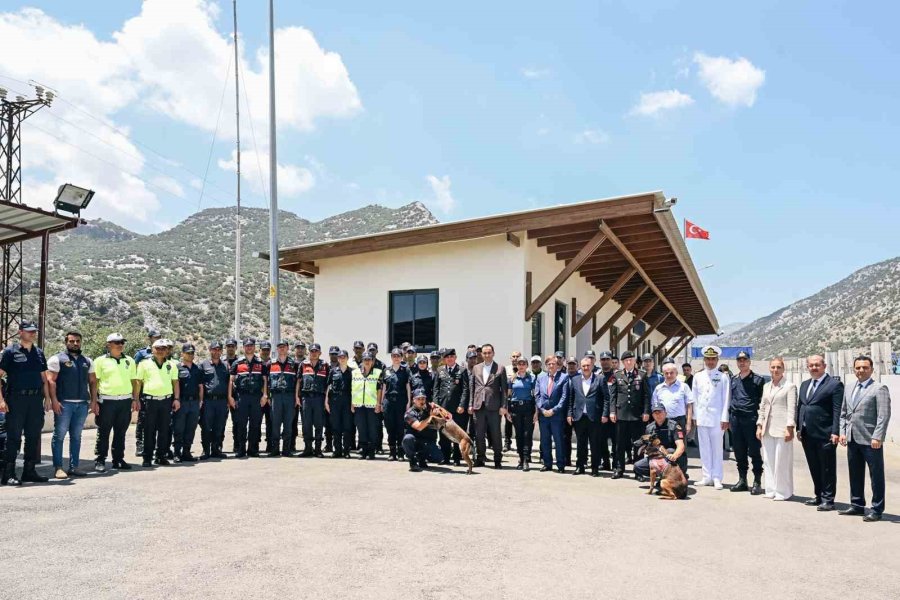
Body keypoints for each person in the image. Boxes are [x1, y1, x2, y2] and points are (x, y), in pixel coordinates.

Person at [839, 356, 892, 522]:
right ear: (854, 369)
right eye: (858, 368)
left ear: (871, 369)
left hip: (871, 440)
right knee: (855, 473)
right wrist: (842, 431)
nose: (861, 371)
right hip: (852, 438)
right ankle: (857, 505)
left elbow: (883, 415)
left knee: (876, 475)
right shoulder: (848, 388)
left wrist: (878, 436)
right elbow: (844, 413)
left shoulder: (879, 388)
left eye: (865, 368)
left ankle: (876, 509)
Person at [0, 321, 50, 485]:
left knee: (33, 436)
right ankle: (9, 474)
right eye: (29, 331)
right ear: (20, 332)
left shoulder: (39, 353)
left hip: (35, 400)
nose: (33, 334)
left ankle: (29, 471)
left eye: (34, 331)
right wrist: (1, 400)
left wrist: (48, 398)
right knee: (13, 437)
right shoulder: (9, 352)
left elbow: (44, 378)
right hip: (16, 400)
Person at [796, 354, 843, 511]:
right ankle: (818, 496)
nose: (814, 368)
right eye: (811, 365)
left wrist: (835, 431)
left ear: (824, 366)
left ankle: (828, 499)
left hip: (825, 433)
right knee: (814, 466)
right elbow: (800, 407)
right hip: (807, 434)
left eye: (817, 365)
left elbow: (837, 410)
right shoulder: (804, 384)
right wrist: (798, 428)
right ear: (807, 367)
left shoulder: (835, 385)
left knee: (827, 467)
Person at [47, 331, 92, 479]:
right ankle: (58, 467)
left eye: (78, 341)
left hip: (82, 404)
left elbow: (93, 382)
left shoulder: (87, 361)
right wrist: (54, 401)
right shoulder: (57, 359)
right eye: (72, 341)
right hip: (64, 404)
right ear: (66, 342)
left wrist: (94, 401)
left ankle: (74, 467)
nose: (75, 344)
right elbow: (50, 381)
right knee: (59, 436)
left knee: (76, 437)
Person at [91, 333, 138, 474]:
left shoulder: (129, 360)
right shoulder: (99, 361)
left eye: (122, 342)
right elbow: (94, 382)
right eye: (117, 343)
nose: (120, 345)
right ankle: (100, 459)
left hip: (124, 401)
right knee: (104, 431)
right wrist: (94, 401)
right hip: (106, 401)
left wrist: (135, 399)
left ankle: (118, 459)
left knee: (121, 432)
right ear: (108, 345)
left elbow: (134, 381)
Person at [133, 339, 180, 467]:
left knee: (164, 430)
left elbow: (175, 382)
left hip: (166, 401)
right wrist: (136, 399)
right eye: (157, 348)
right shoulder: (144, 364)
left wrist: (176, 399)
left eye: (163, 348)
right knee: (149, 430)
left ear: (167, 351)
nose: (160, 351)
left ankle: (161, 456)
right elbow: (138, 382)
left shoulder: (171, 364)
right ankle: (147, 457)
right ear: (152, 350)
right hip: (149, 401)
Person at [755, 357, 797, 501]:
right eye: (773, 367)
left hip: (782, 428)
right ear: (769, 368)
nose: (775, 370)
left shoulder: (790, 386)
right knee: (768, 460)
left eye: (778, 367)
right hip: (767, 428)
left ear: (783, 369)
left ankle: (783, 491)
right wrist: (759, 425)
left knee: (782, 461)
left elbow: (792, 409)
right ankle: (771, 489)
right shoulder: (767, 386)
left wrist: (789, 427)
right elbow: (762, 407)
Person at [691, 345, 731, 489]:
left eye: (713, 359)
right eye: (708, 359)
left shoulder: (723, 377)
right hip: (702, 418)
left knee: (717, 449)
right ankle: (706, 476)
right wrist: (694, 416)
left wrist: (725, 418)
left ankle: (717, 477)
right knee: (704, 448)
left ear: (717, 360)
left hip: (716, 419)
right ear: (704, 360)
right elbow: (694, 397)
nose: (710, 362)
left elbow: (726, 398)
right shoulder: (698, 376)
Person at [465, 343, 509, 469]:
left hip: (494, 407)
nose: (487, 355)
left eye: (489, 352)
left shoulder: (500, 368)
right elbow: (472, 388)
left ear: (493, 353)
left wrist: (504, 406)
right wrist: (470, 404)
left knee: (495, 434)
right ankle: (480, 458)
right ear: (481, 354)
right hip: (478, 406)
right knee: (479, 434)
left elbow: (504, 390)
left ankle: (497, 459)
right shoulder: (476, 368)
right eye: (484, 353)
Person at [608, 350, 650, 479]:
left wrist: (646, 411)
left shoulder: (642, 375)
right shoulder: (618, 375)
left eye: (631, 359)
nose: (629, 362)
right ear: (623, 362)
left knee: (638, 444)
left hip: (637, 416)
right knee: (620, 444)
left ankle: (638, 471)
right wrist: (612, 411)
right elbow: (613, 396)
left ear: (634, 362)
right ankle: (619, 469)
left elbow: (646, 396)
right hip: (621, 415)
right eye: (626, 360)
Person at [729, 351, 765, 494]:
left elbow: (762, 403)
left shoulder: (758, 380)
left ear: (749, 362)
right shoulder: (733, 379)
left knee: (754, 451)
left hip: (750, 419)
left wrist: (760, 424)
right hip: (736, 419)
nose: (742, 362)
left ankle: (757, 481)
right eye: (739, 360)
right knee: (739, 451)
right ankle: (742, 480)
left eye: (744, 360)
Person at [567, 357, 608, 477]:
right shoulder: (574, 380)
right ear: (580, 366)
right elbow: (571, 399)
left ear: (592, 366)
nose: (586, 368)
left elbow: (606, 398)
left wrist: (605, 414)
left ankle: (595, 468)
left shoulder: (600, 379)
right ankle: (580, 466)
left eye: (588, 365)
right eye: (583, 366)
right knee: (580, 443)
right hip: (579, 416)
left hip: (594, 417)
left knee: (594, 443)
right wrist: (569, 414)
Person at [228, 338, 268, 458]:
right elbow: (231, 381)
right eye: (247, 346)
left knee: (255, 424)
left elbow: (265, 380)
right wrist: (230, 397)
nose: (249, 347)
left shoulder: (260, 363)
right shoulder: (237, 363)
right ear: (243, 347)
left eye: (251, 345)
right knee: (241, 424)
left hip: (256, 397)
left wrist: (265, 395)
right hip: (242, 396)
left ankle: (253, 449)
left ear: (254, 347)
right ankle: (241, 449)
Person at [650, 362, 692, 477]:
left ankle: (683, 473)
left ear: (676, 373)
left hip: (679, 421)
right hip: (664, 422)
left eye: (671, 373)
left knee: (681, 447)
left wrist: (688, 423)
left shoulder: (684, 387)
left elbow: (689, 405)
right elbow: (654, 406)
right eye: (666, 373)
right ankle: (664, 472)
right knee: (664, 447)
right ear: (663, 374)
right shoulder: (659, 388)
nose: (669, 375)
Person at [633, 402, 686, 483]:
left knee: (670, 451)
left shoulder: (674, 426)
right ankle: (662, 476)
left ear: (665, 413)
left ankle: (677, 474)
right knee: (638, 466)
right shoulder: (649, 428)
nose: (658, 415)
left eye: (660, 412)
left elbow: (681, 446)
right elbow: (647, 445)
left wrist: (674, 455)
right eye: (655, 413)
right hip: (657, 456)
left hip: (673, 458)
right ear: (652, 415)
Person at [433, 348, 466, 465]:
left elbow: (465, 390)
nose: (449, 359)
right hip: (443, 409)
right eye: (447, 357)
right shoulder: (440, 370)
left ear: (455, 357)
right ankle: (445, 457)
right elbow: (436, 389)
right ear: (444, 359)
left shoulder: (462, 370)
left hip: (457, 409)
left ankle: (457, 458)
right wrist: (436, 406)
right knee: (444, 434)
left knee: (457, 433)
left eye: (451, 357)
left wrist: (462, 405)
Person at [535, 355, 568, 473]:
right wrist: (542, 410)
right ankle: (547, 463)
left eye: (553, 363)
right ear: (546, 365)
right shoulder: (540, 377)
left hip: (557, 415)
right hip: (543, 415)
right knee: (545, 440)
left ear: (558, 365)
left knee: (558, 440)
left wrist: (554, 410)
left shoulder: (564, 377)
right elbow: (537, 396)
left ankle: (560, 465)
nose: (551, 366)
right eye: (548, 364)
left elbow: (564, 397)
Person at [133, 328, 161, 458]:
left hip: (159, 392)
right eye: (155, 337)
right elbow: (134, 373)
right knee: (142, 419)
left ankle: (155, 445)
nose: (157, 339)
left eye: (159, 337)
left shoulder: (163, 352)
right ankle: (140, 444)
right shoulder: (142, 354)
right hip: (144, 392)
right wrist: (136, 396)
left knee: (157, 421)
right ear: (150, 339)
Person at [268, 341, 299, 457]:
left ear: (287, 348)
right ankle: (275, 449)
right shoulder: (270, 364)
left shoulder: (294, 364)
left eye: (284, 347)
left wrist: (296, 397)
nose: (281, 349)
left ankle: (286, 449)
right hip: (276, 397)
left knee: (288, 424)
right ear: (277, 349)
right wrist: (268, 396)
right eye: (279, 347)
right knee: (275, 424)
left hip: (289, 396)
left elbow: (298, 382)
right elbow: (266, 381)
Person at [173, 344, 203, 463]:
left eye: (192, 353)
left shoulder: (197, 369)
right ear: (182, 354)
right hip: (182, 402)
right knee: (179, 428)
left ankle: (186, 452)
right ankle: (177, 453)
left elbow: (200, 386)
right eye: (188, 353)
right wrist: (176, 400)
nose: (190, 355)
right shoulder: (177, 368)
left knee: (191, 428)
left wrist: (200, 401)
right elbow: (174, 385)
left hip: (194, 402)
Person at [199, 341, 230, 459]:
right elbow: (200, 384)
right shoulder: (203, 365)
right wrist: (201, 401)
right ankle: (205, 450)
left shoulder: (225, 365)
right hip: (208, 401)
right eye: (214, 349)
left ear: (221, 351)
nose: (216, 352)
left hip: (222, 401)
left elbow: (229, 383)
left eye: (218, 349)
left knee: (219, 426)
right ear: (210, 350)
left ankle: (216, 449)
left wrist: (228, 399)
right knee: (206, 426)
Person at [299, 343, 329, 457]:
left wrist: (326, 400)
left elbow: (328, 384)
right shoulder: (303, 364)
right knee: (306, 424)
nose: (314, 353)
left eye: (316, 351)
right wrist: (297, 397)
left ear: (320, 353)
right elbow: (299, 381)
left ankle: (318, 449)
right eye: (312, 351)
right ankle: (307, 448)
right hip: (306, 398)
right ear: (309, 352)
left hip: (319, 398)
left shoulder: (325, 365)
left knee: (318, 424)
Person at [351, 352, 383, 459]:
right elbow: (352, 389)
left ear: (373, 361)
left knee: (372, 430)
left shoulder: (378, 372)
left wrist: (378, 403)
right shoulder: (355, 372)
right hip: (359, 405)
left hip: (372, 405)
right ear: (362, 361)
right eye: (365, 359)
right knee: (361, 429)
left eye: (369, 359)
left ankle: (371, 452)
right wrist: (352, 403)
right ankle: (364, 451)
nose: (367, 361)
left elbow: (379, 389)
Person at [506, 356, 536, 470]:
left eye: (524, 363)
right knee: (518, 434)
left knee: (527, 434)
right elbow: (508, 396)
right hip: (515, 408)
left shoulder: (532, 378)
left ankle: (526, 459)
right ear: (517, 366)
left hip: (528, 408)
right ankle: (521, 457)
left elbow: (535, 396)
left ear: (527, 365)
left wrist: (536, 412)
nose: (521, 366)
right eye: (519, 364)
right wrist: (508, 411)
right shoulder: (512, 379)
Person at [402, 388, 443, 472]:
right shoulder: (409, 413)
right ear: (413, 400)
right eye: (418, 399)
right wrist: (430, 417)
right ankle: (413, 461)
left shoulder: (430, 409)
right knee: (407, 439)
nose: (421, 401)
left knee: (439, 458)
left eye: (423, 398)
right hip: (415, 441)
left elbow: (442, 424)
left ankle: (422, 458)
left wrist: (438, 411)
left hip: (427, 440)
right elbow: (419, 427)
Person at [382, 348, 411, 461]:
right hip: (388, 402)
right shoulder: (386, 370)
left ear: (401, 357)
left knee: (400, 428)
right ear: (391, 357)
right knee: (390, 428)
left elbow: (408, 386)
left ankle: (400, 453)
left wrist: (409, 401)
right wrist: (381, 403)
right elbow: (384, 387)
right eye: (394, 356)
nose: (396, 358)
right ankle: (392, 452)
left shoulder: (405, 370)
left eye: (398, 356)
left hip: (401, 401)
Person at [325, 349, 354, 458]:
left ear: (347, 358)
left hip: (347, 401)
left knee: (347, 427)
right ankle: (337, 450)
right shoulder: (333, 371)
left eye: (344, 357)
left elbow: (354, 389)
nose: (342, 359)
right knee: (336, 427)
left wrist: (352, 403)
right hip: (335, 401)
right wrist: (326, 402)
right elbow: (328, 386)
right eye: (340, 357)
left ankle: (346, 451)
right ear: (338, 359)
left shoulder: (352, 372)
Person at [596, 351, 616, 471]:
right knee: (601, 439)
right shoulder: (597, 376)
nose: (605, 361)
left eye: (607, 359)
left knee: (616, 441)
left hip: (614, 413)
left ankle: (616, 463)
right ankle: (605, 462)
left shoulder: (617, 375)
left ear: (611, 361)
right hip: (602, 413)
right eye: (603, 359)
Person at [503, 350, 522, 452]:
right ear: (510, 358)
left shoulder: (524, 370)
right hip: (508, 400)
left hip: (519, 399)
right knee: (508, 422)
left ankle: (520, 443)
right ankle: (507, 442)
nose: (515, 358)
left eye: (517, 356)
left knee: (519, 423)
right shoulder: (506, 369)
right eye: (513, 356)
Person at [289, 341, 306, 452]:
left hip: (305, 396)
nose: (300, 350)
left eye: (302, 348)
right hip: (292, 396)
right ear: (294, 349)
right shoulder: (290, 362)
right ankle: (291, 445)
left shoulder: (308, 362)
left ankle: (307, 446)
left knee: (306, 421)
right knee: (292, 421)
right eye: (298, 348)